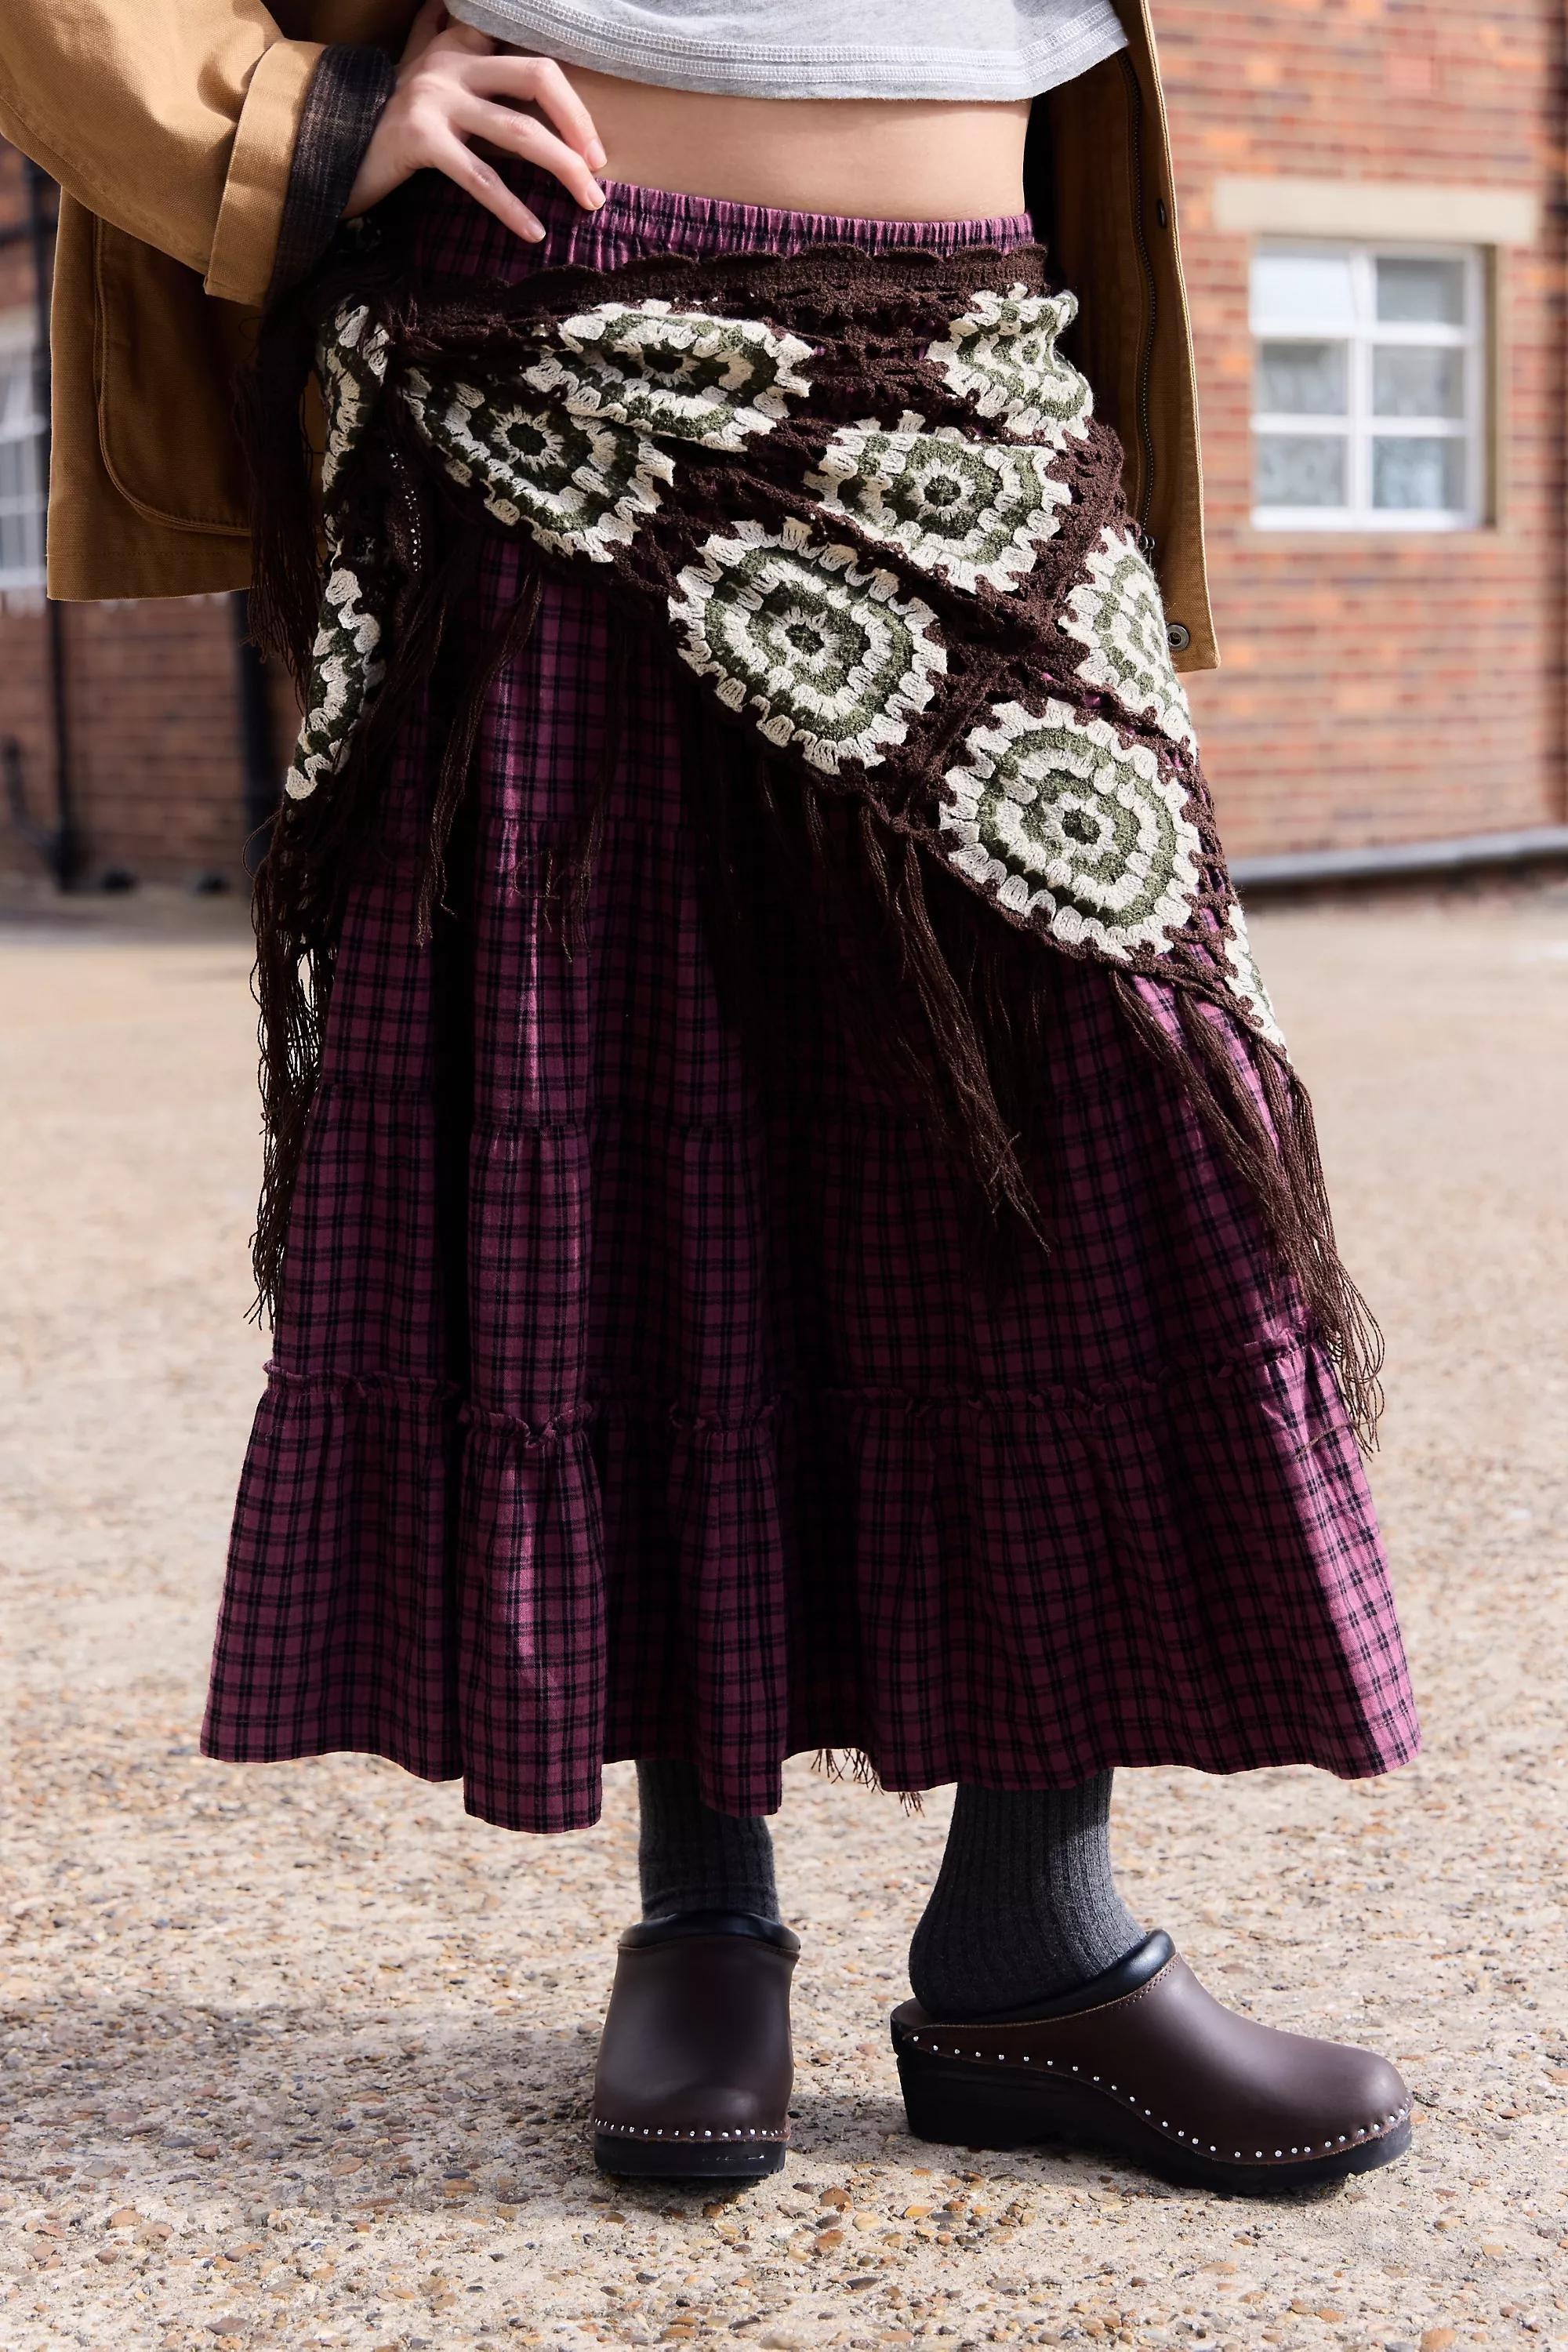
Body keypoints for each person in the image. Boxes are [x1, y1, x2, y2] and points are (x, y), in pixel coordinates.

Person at [1, 0, 1420, 2194]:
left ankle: (1035, 1950)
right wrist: (281, 116)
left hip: (979, 338)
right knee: (638, 1138)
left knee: (1106, 1120)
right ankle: (705, 1915)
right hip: (548, 344)